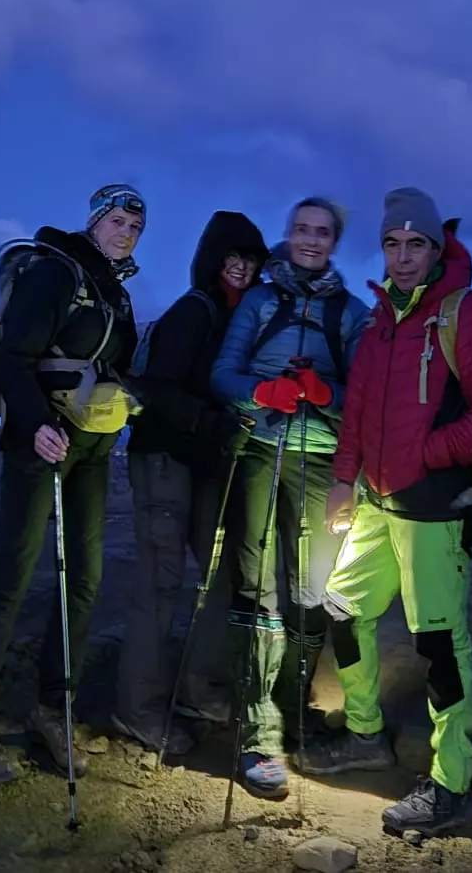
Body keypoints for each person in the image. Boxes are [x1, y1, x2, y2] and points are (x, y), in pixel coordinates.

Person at [313, 188, 472, 837]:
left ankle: (452, 784)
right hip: (375, 503)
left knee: (439, 643)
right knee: (342, 607)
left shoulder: (463, 314)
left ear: (436, 248)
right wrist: (343, 481)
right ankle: (365, 734)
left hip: (433, 510)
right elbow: (356, 412)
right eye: (392, 244)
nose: (402, 257)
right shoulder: (381, 322)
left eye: (415, 244)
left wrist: (427, 454)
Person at [0, 185, 145, 785]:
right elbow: (14, 358)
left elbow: (116, 366)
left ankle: (54, 706)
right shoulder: (57, 273)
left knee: (83, 577)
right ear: (94, 221)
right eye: (117, 220)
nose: (126, 232)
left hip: (92, 446)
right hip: (41, 440)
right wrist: (35, 424)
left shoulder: (116, 293)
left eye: (135, 226)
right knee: (13, 571)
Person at [207, 197, 373, 799]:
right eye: (301, 229)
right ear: (289, 234)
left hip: (320, 459)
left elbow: (365, 397)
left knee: (312, 588)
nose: (310, 240)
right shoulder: (259, 301)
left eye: (322, 232)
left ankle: (293, 708)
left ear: (334, 241)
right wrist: (263, 392)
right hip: (259, 449)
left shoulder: (350, 313)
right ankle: (260, 734)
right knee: (257, 586)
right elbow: (222, 375)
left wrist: (322, 393)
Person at [110, 208, 270, 756]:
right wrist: (210, 422)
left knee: (222, 575)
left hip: (205, 465)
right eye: (231, 257)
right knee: (161, 581)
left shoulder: (236, 321)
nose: (240, 267)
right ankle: (138, 708)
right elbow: (157, 387)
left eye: (249, 259)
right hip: (163, 459)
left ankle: (200, 690)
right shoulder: (194, 310)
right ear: (211, 260)